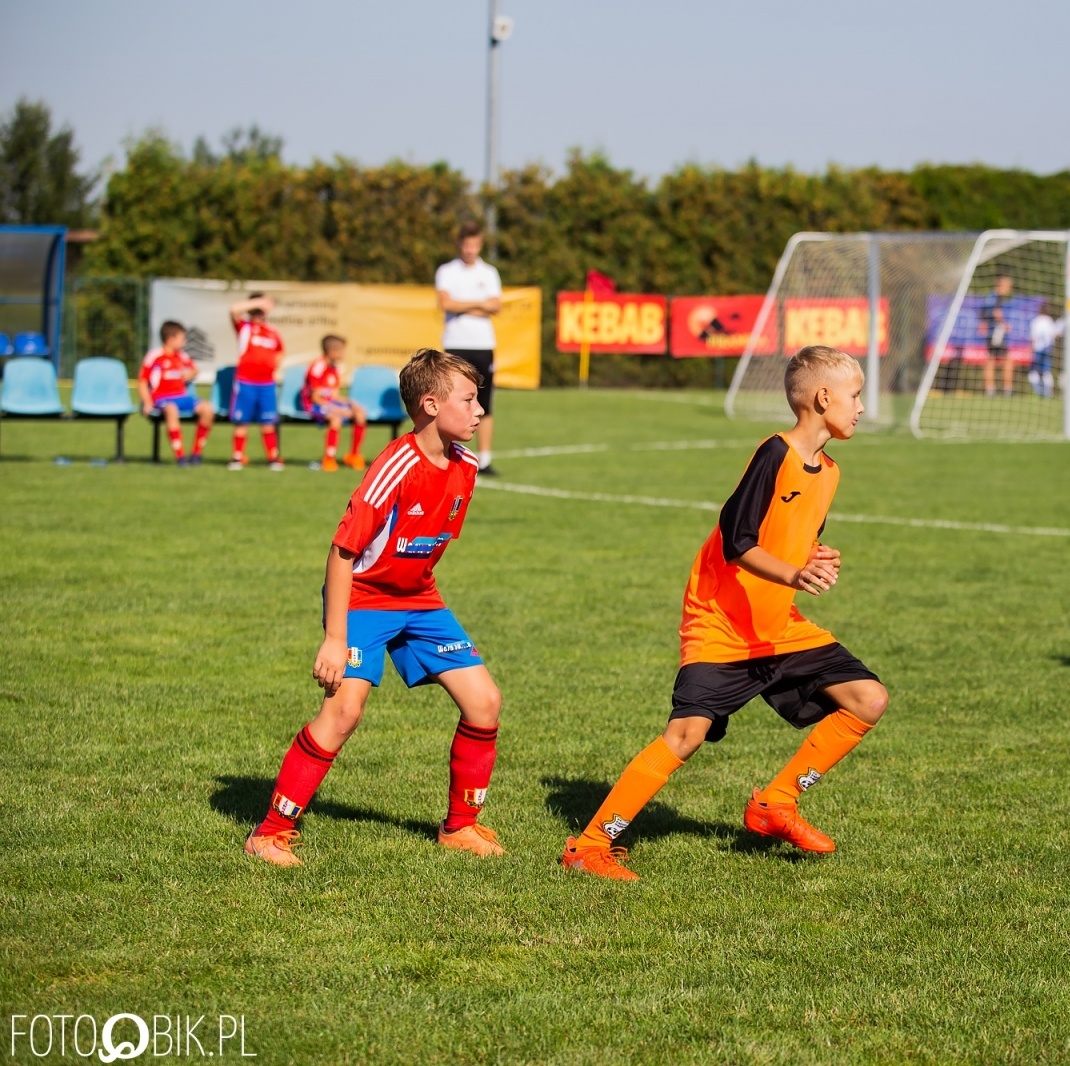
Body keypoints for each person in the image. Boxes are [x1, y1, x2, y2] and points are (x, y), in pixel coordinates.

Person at [561, 345, 890, 882]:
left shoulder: (829, 472)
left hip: (775, 625)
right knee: (685, 737)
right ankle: (591, 845)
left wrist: (809, 557)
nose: (860, 407)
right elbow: (738, 540)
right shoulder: (775, 454)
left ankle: (776, 804)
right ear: (823, 398)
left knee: (868, 698)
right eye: (855, 396)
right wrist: (794, 574)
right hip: (720, 620)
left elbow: (786, 541)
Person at [243, 349, 504, 866]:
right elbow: (343, 551)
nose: (479, 410)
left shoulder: (466, 464)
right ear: (430, 405)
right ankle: (269, 833)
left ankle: (460, 827)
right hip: (363, 597)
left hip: (419, 599)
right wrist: (335, 639)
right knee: (344, 710)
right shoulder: (395, 465)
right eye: (469, 400)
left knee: (485, 703)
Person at [435, 221, 502, 476]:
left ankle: (484, 459)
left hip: (483, 345)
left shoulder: (489, 272)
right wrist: (479, 305)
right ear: (459, 245)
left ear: (480, 244)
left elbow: (496, 305)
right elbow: (446, 303)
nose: (470, 250)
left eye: (475, 245)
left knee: (484, 402)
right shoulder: (447, 271)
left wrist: (462, 304)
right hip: (455, 344)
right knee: (450, 400)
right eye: (466, 245)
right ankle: (445, 454)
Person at [138, 320, 214, 466]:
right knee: (171, 410)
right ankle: (180, 456)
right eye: (181, 339)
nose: (184, 342)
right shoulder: (155, 355)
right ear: (170, 339)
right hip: (162, 398)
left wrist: (192, 373)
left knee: (207, 409)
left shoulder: (182, 356)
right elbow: (142, 381)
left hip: (183, 397)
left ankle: (196, 453)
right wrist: (147, 403)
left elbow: (195, 370)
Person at [227, 293, 285, 471]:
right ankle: (237, 458)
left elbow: (280, 350)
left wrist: (275, 363)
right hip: (246, 382)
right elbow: (233, 310)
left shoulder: (271, 331)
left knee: (267, 422)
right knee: (242, 422)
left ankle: (273, 458)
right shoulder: (245, 327)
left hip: (266, 384)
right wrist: (257, 301)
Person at [302, 334, 369, 473]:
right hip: (313, 405)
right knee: (335, 419)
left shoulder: (334, 368)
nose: (343, 354)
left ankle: (354, 455)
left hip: (328, 403)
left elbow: (334, 395)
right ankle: (329, 459)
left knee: (360, 414)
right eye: (341, 350)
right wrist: (336, 410)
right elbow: (316, 398)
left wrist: (351, 403)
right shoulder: (318, 367)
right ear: (332, 351)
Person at [981, 275, 1014, 397]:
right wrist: (1004, 325)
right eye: (1008, 287)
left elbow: (983, 314)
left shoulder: (989, 297)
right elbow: (996, 313)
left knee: (991, 360)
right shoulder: (997, 297)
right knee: (1006, 360)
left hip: (991, 333)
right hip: (997, 333)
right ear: (1001, 286)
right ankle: (1007, 390)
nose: (1009, 289)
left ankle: (991, 390)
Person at [1028, 304, 1065, 398]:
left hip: (1038, 349)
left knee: (1035, 372)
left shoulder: (1036, 321)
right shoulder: (1050, 321)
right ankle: (1048, 393)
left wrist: (1031, 350)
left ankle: (1037, 391)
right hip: (1048, 349)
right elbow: (1055, 335)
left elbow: (1033, 338)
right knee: (1046, 372)